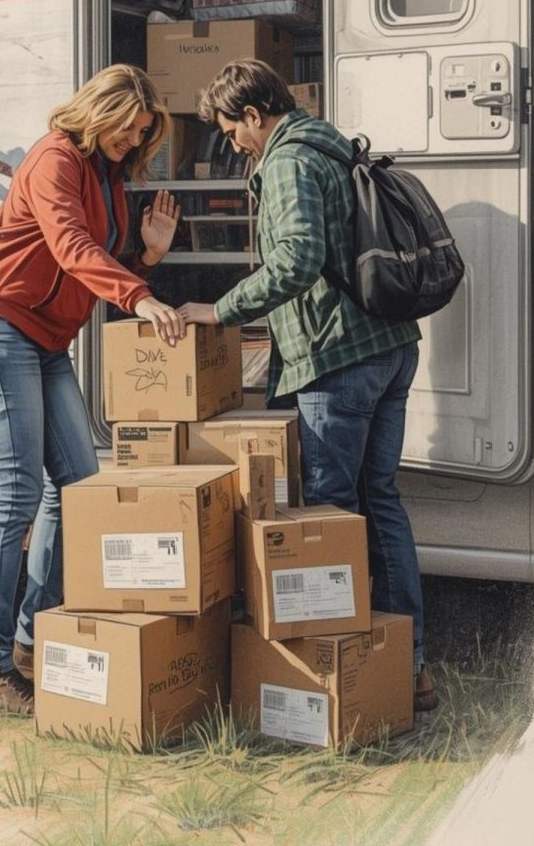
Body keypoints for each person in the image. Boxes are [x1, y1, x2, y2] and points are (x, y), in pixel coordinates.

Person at [180, 59, 437, 713]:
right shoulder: (332, 144)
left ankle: (332, 676)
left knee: (329, 512)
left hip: (339, 359)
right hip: (390, 348)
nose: (235, 145)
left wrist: (220, 309)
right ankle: (408, 666)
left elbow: (296, 259)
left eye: (232, 132)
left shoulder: (290, 160)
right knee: (380, 502)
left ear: (254, 115)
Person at [0, 65, 185, 715]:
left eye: (142, 133)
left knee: (78, 486)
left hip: (45, 341)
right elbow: (71, 245)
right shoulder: (55, 158)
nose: (133, 141)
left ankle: (32, 642)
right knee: (16, 492)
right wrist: (139, 295)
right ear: (99, 113)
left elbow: (87, 268)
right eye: (127, 128)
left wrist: (146, 258)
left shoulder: (110, 178)